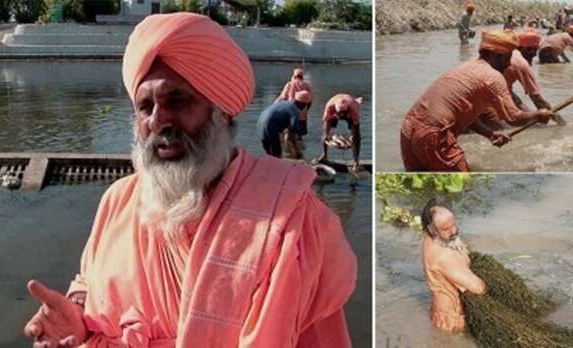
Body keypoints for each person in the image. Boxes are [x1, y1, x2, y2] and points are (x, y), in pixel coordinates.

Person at [23, 13, 357, 348]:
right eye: (145, 106)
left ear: (222, 110)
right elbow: (89, 282)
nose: (158, 121)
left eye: (177, 100)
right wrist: (76, 316)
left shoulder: (293, 222)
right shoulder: (118, 200)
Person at [400, 31, 555, 172]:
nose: (509, 64)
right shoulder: (493, 77)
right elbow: (513, 118)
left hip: (409, 128)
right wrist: (538, 114)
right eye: (507, 58)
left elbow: (464, 113)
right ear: (496, 55)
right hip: (433, 133)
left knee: (421, 179)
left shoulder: (467, 67)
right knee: (461, 185)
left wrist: (489, 133)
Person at [420, 199, 486, 333]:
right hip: (451, 318)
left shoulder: (433, 238)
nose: (454, 231)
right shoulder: (443, 257)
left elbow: (457, 243)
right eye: (446, 229)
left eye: (454, 224)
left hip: (440, 307)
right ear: (431, 229)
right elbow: (478, 288)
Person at [481, 29, 562, 130]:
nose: (534, 54)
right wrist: (561, 122)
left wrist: (528, 114)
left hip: (493, 91)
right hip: (489, 97)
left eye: (535, 50)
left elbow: (508, 90)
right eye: (532, 50)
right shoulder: (521, 64)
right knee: (505, 128)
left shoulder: (508, 53)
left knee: (526, 116)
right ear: (524, 48)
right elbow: (538, 101)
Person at [258, 90, 311, 158]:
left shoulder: (284, 103)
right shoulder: (295, 111)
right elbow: (292, 135)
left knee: (269, 155)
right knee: (277, 155)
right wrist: (297, 150)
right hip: (269, 127)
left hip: (260, 125)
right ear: (304, 105)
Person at [317, 93, 362, 170]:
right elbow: (326, 125)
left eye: (343, 113)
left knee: (356, 137)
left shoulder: (353, 108)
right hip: (334, 110)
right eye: (340, 114)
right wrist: (327, 136)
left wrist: (353, 138)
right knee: (325, 134)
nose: (341, 115)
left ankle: (356, 162)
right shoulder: (329, 107)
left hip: (350, 107)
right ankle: (324, 155)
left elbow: (356, 126)